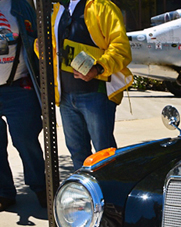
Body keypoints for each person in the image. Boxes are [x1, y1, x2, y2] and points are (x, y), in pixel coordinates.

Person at [41, 0, 132, 170]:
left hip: (96, 94)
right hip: (66, 96)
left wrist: (98, 68)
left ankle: (110, 193)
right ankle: (84, 195)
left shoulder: (102, 6)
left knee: (104, 153)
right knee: (77, 153)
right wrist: (39, 47)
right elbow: (52, 49)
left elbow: (121, 48)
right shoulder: (58, 9)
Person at [0, 0, 45, 210]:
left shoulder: (21, 5)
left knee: (25, 139)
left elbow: (39, 42)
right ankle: (4, 192)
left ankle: (41, 187)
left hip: (19, 85)